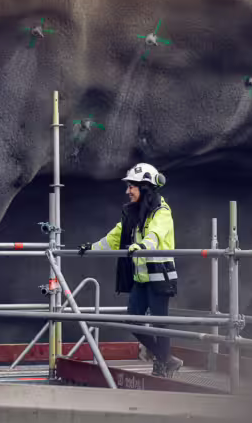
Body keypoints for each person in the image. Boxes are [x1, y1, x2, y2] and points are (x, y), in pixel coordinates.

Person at [78, 162, 183, 378]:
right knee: (133, 319)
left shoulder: (162, 212)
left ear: (144, 188)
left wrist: (142, 246)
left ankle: (162, 366)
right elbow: (115, 236)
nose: (127, 191)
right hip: (141, 278)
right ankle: (166, 359)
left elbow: (154, 235)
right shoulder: (133, 214)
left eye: (131, 187)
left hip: (159, 276)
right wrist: (91, 248)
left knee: (159, 323)